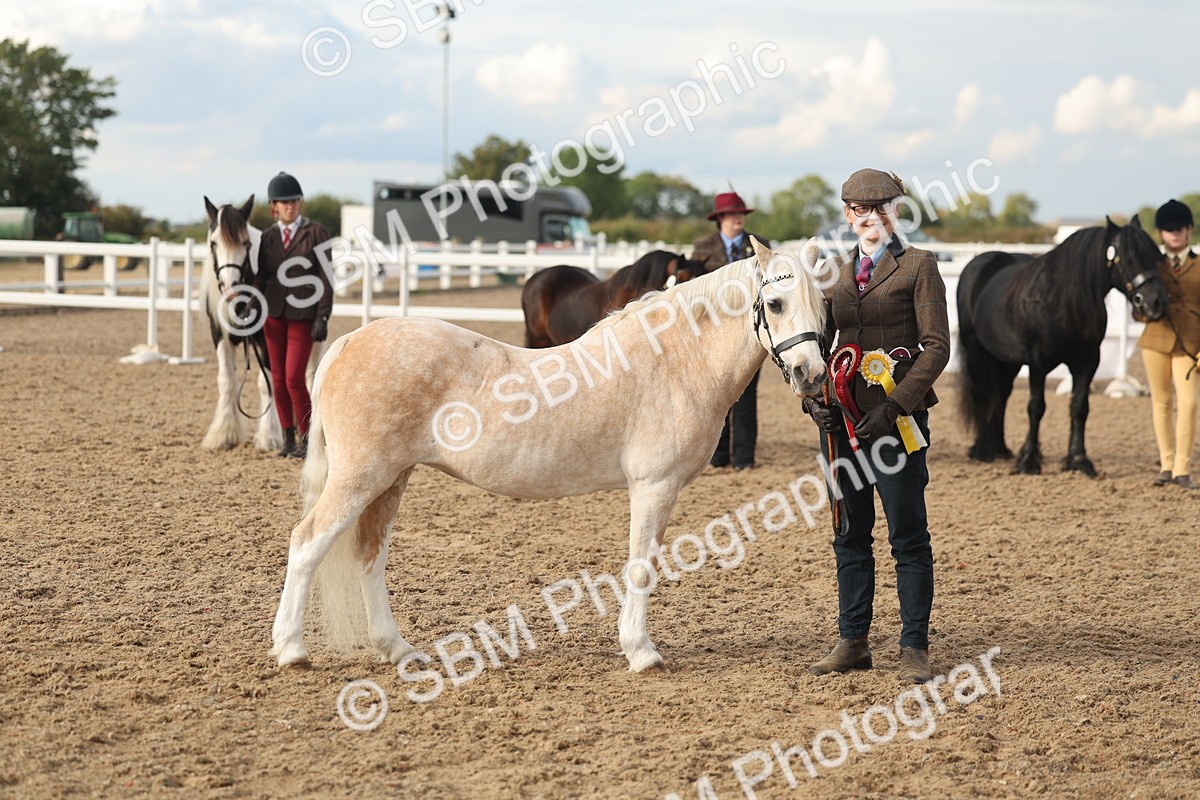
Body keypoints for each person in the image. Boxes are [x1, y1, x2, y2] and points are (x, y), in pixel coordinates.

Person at [802, 168, 950, 683]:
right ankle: (853, 641)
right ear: (848, 215)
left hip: (895, 425)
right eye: (861, 210)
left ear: (896, 211)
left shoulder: (918, 267)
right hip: (842, 427)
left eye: (882, 207)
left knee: (907, 535)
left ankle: (914, 646)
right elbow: (817, 351)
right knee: (849, 533)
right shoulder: (835, 275)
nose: (871, 217)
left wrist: (895, 407)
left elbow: (937, 347)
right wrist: (814, 400)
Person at [255, 171, 333, 459]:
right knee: (276, 379)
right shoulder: (268, 237)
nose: (290, 206)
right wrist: (250, 306)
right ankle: (287, 439)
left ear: (300, 203)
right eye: (283, 202)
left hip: (303, 315)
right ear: (274, 206)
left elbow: (326, 276)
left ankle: (307, 438)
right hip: (273, 316)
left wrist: (322, 316)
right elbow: (261, 278)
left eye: (294, 201)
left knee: (293, 378)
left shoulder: (316, 232)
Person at [693, 190, 764, 469]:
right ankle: (718, 456)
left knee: (747, 395)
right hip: (715, 334)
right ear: (720, 218)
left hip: (749, 334)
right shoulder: (702, 248)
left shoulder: (759, 246)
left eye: (741, 214)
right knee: (716, 396)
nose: (738, 219)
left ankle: (745, 458)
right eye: (733, 214)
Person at [1139, 199, 1200, 490]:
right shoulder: (1152, 267)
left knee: (1188, 403)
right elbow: (1137, 305)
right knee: (1161, 402)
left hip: (1190, 343)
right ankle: (1166, 465)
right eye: (1168, 229)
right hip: (1156, 340)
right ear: (1161, 233)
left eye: (1179, 228)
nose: (1174, 234)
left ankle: (1182, 468)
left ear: (1189, 230)